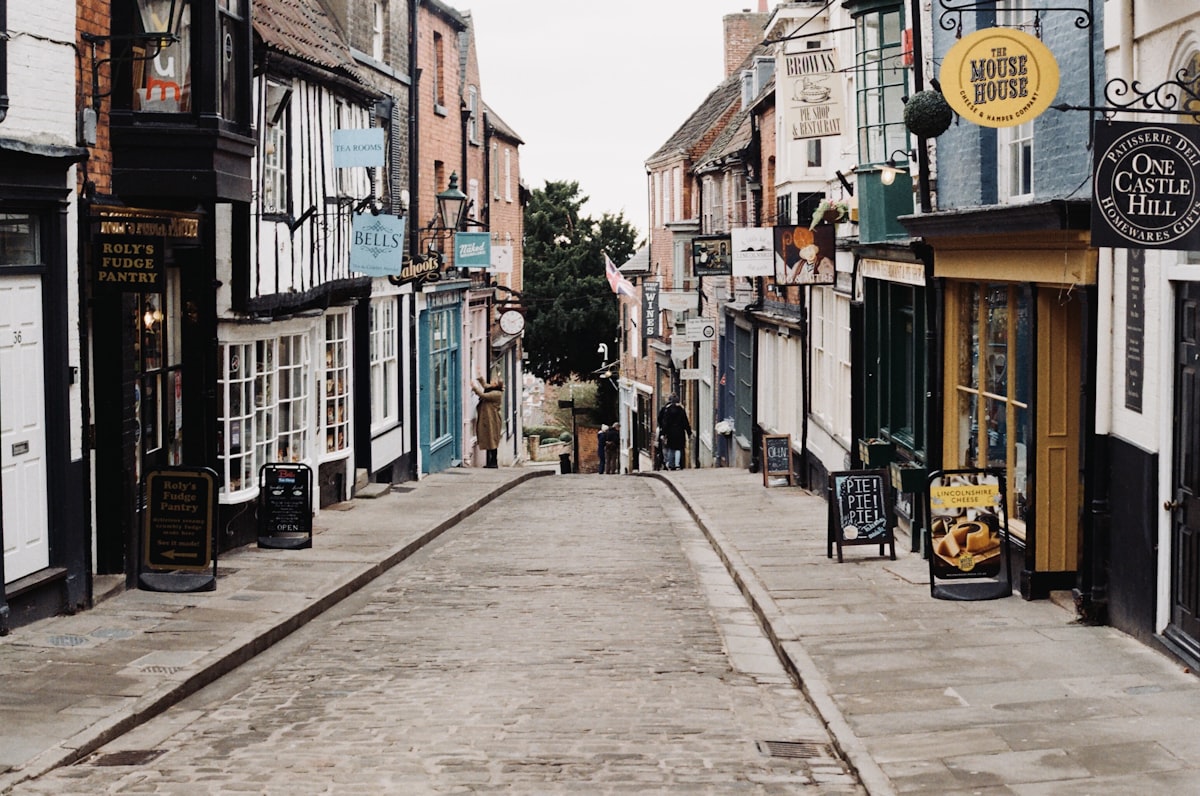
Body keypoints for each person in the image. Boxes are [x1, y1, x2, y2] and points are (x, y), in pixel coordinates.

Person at [471, 377, 503, 468]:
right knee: (489, 439)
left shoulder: (497, 393)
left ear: (496, 385)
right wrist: (480, 377)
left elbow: (483, 395)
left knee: (492, 440)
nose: (491, 382)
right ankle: (490, 462)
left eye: (494, 381)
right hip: (489, 419)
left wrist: (474, 387)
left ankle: (493, 462)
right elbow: (485, 385)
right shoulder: (492, 389)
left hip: (493, 420)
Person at [657, 394, 691, 470]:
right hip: (680, 432)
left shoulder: (667, 410)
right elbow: (685, 422)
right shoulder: (681, 410)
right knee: (678, 448)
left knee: (671, 448)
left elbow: (664, 422)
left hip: (670, 432)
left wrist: (663, 433)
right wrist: (689, 432)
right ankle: (677, 464)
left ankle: (670, 464)